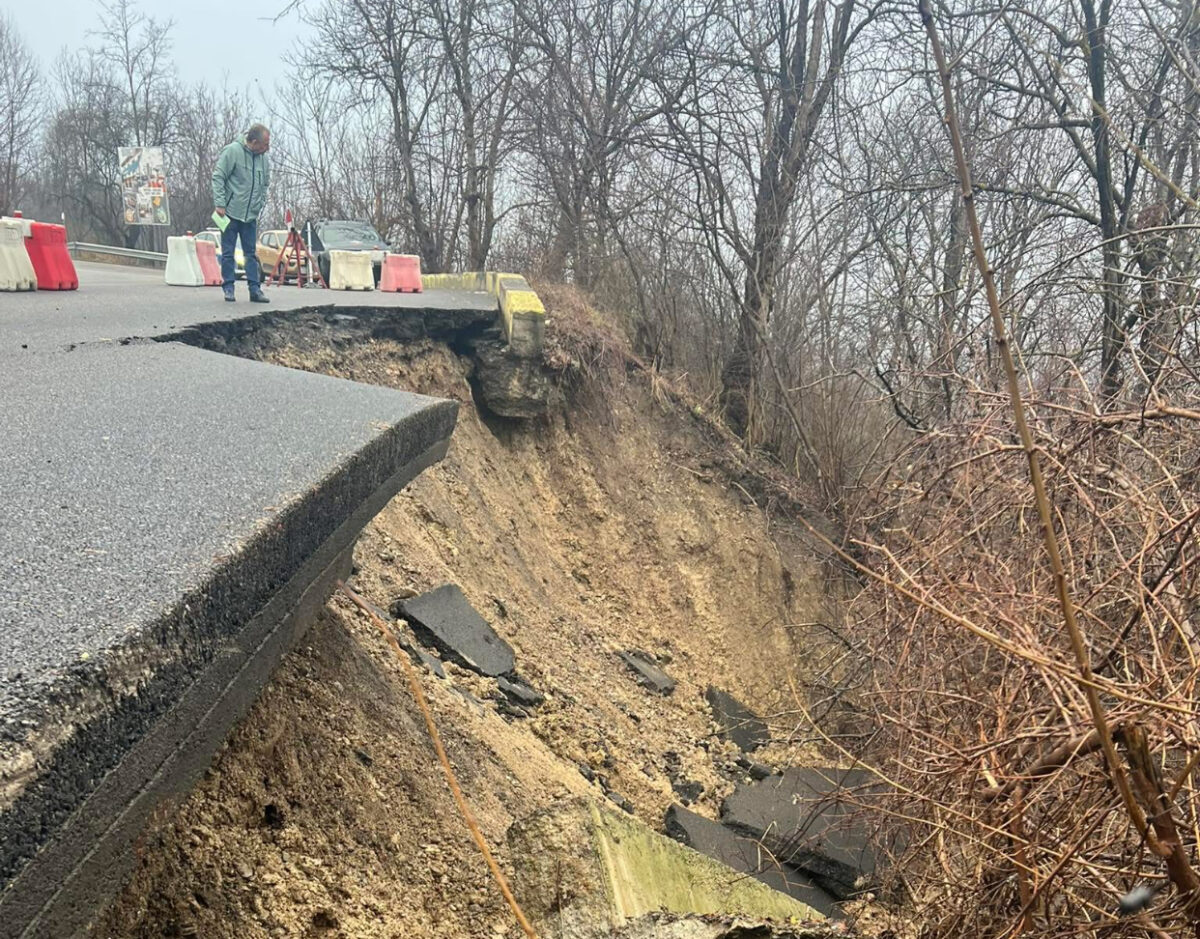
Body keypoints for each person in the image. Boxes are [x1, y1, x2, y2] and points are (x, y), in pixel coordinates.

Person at [212, 123, 271, 302]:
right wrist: (220, 203)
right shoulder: (232, 152)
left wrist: (259, 204)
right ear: (253, 142)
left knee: (250, 254)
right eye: (265, 144)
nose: (267, 148)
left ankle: (255, 290)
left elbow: (265, 184)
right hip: (230, 212)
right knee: (229, 252)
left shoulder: (263, 159)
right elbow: (218, 177)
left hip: (250, 214)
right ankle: (228, 287)